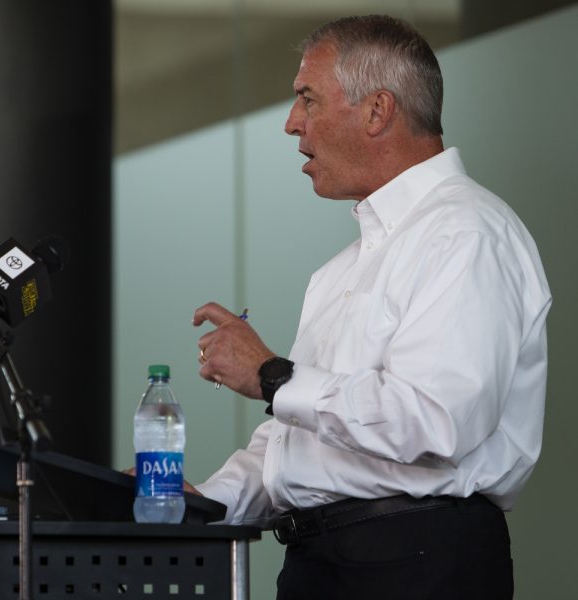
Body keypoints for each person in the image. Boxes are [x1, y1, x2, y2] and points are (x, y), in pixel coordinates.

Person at [191, 15, 550, 600]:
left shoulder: (466, 231)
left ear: (377, 110)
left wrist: (273, 375)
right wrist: (203, 504)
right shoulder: (341, 270)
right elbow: (301, 440)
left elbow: (435, 421)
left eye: (307, 98)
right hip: (321, 561)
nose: (291, 124)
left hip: (415, 561)